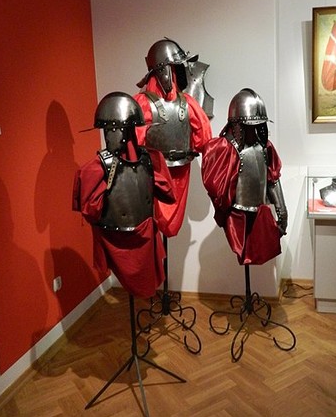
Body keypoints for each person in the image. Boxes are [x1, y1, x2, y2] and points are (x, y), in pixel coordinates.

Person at [72, 92, 175, 298]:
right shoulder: (98, 167)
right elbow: (91, 210)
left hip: (143, 235)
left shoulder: (149, 158)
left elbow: (167, 193)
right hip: (116, 236)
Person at [134, 38, 212, 237]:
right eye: (175, 68)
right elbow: (203, 139)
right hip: (154, 172)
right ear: (164, 71)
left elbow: (204, 141)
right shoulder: (143, 104)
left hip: (175, 169)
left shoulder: (185, 103)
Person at [201, 88, 287, 265]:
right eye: (250, 126)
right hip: (237, 216)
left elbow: (272, 180)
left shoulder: (265, 148)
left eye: (259, 125)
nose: (256, 130)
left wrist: (282, 211)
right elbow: (218, 191)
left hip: (260, 214)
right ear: (238, 125)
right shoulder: (223, 149)